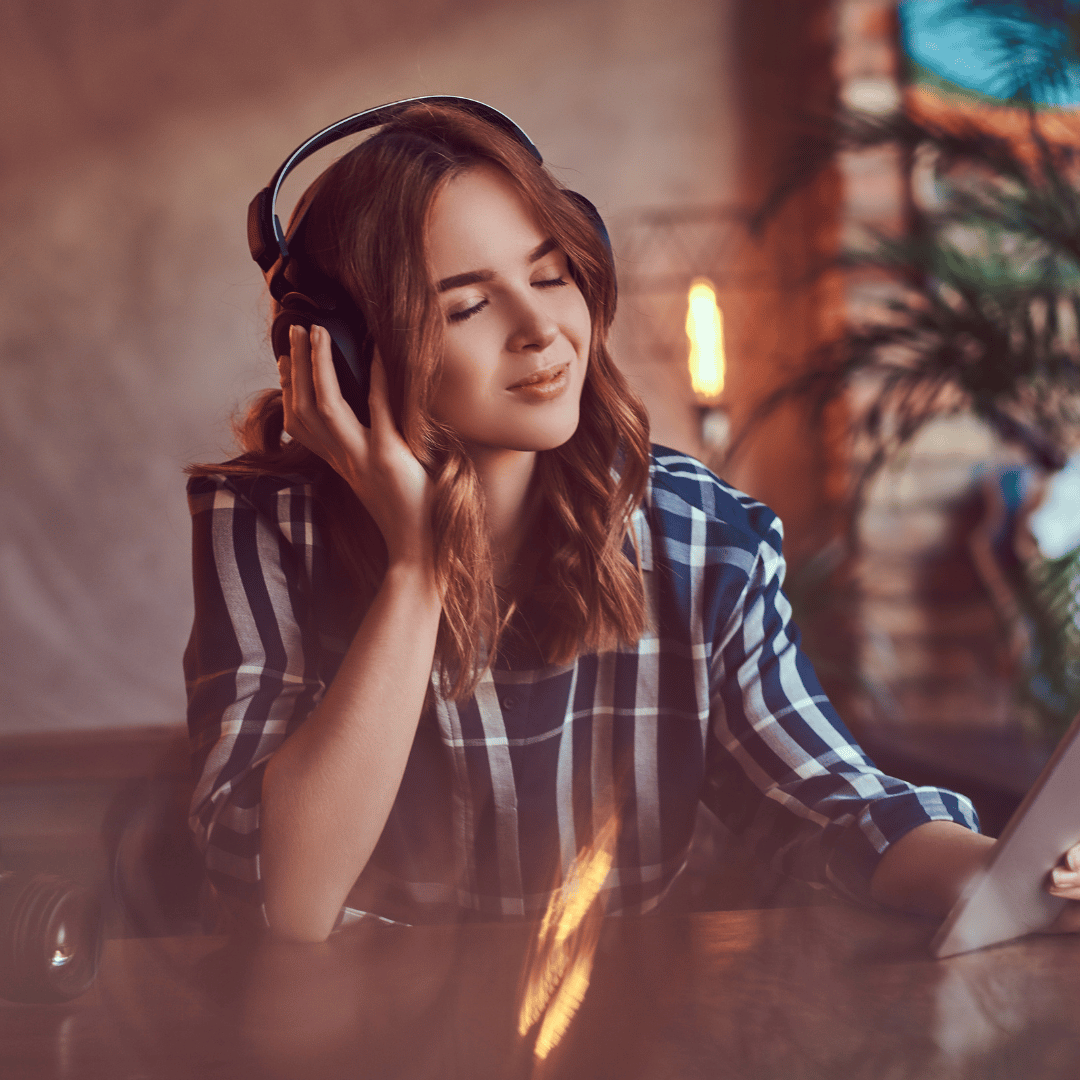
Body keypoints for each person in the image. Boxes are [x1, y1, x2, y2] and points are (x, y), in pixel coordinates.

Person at [183, 100, 1080, 943]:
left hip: (624, 1039)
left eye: (550, 274)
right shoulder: (268, 528)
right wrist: (415, 568)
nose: (543, 329)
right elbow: (285, 896)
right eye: (466, 305)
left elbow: (832, 797)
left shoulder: (700, 531)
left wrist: (998, 880)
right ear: (342, 356)